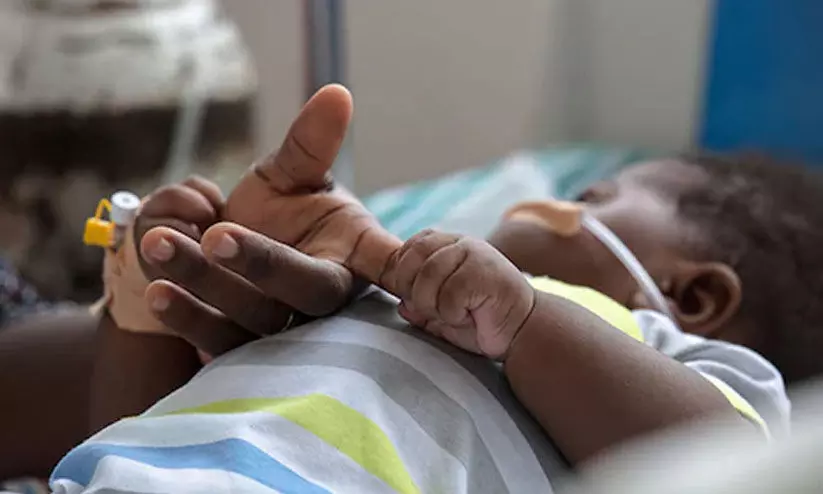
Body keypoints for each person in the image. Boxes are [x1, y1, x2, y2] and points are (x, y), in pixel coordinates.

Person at [34, 85, 791, 493]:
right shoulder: (361, 298)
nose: (530, 206)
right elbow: (130, 432)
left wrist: (527, 316)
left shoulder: (672, 357)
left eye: (591, 198)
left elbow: (720, 464)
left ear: (693, 296)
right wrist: (145, 304)